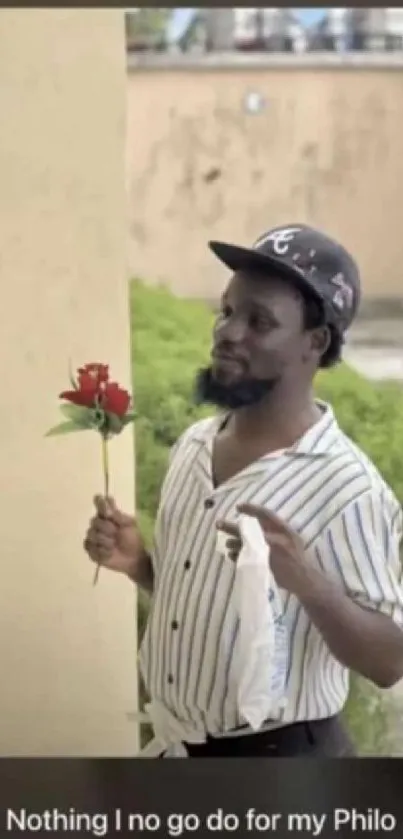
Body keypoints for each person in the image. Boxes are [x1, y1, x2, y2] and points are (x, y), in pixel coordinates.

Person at [84, 223, 403, 757]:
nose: (229, 333)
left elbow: (389, 662)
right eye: (228, 312)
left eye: (260, 322)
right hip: (178, 753)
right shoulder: (194, 446)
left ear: (315, 341)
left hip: (283, 773)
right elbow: (206, 605)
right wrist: (140, 564)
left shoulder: (347, 488)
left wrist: (307, 582)